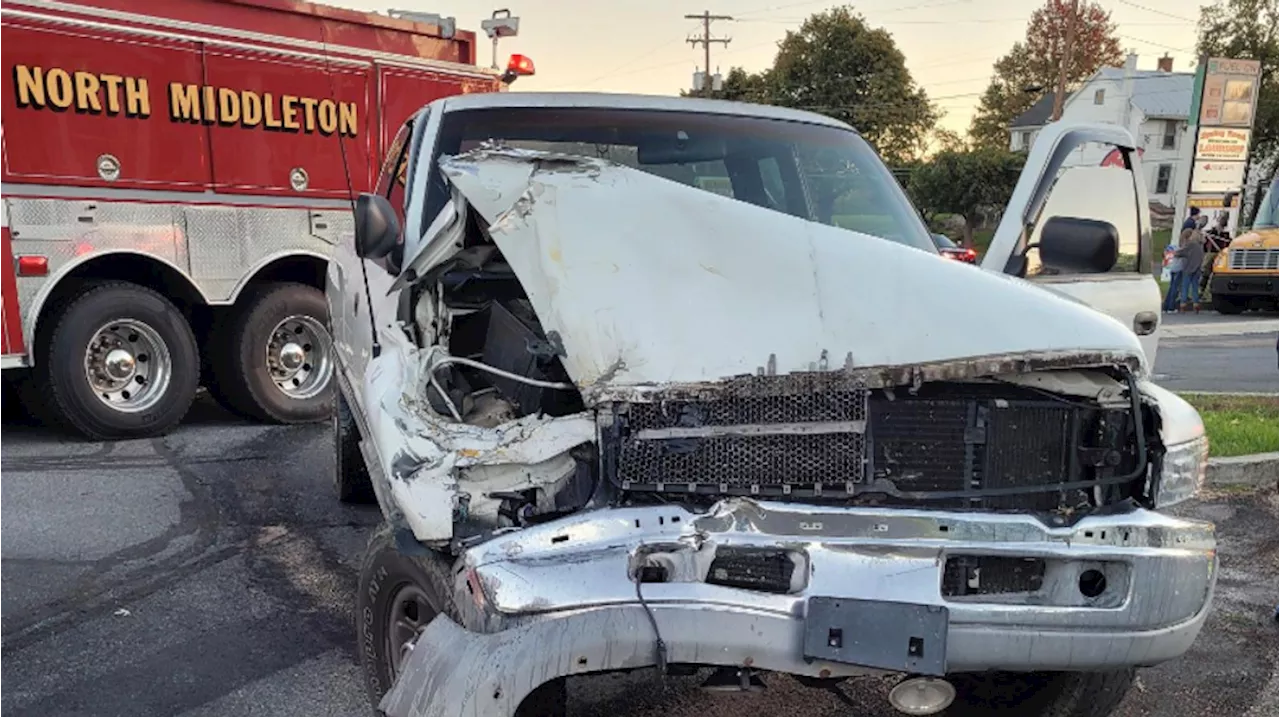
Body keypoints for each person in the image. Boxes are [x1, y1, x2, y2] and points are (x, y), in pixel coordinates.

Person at [1174, 215, 1208, 312]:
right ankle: (1196, 303)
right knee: (1195, 287)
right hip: (1197, 268)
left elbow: (1180, 253)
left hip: (1188, 268)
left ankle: (1183, 304)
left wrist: (1174, 253)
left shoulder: (1190, 245)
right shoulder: (1199, 247)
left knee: (1185, 286)